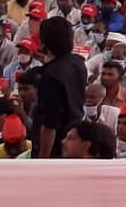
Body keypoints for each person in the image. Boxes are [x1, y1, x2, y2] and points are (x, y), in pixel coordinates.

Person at [33, 16, 87, 158]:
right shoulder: (78, 63)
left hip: (57, 146)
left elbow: (50, 124)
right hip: (75, 137)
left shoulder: (51, 75)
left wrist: (42, 158)